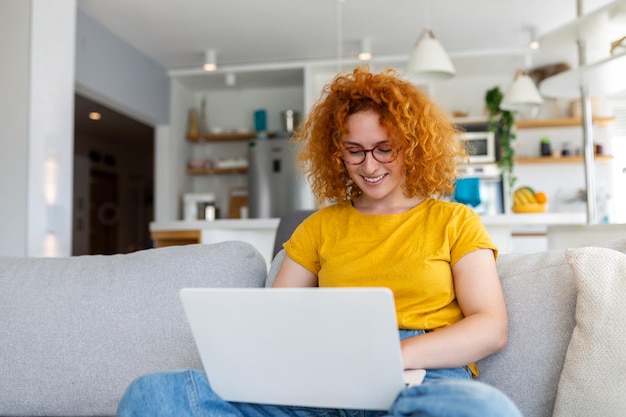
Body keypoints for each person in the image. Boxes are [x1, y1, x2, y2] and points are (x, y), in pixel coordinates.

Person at [116, 67, 522, 417]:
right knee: (151, 395)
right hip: (328, 383)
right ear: (337, 154)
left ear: (412, 148)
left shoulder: (454, 220)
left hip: (422, 382)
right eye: (354, 151)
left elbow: (490, 327)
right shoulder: (319, 226)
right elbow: (277, 320)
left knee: (486, 411)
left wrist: (389, 359)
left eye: (385, 149)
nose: (370, 165)